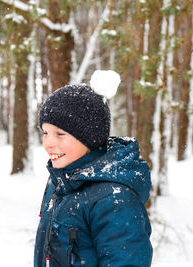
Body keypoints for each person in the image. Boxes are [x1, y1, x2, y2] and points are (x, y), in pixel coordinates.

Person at [34, 71, 153, 267]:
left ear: (89, 137)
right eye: (45, 132)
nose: (48, 143)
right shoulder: (60, 183)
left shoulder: (113, 197)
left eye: (60, 134)